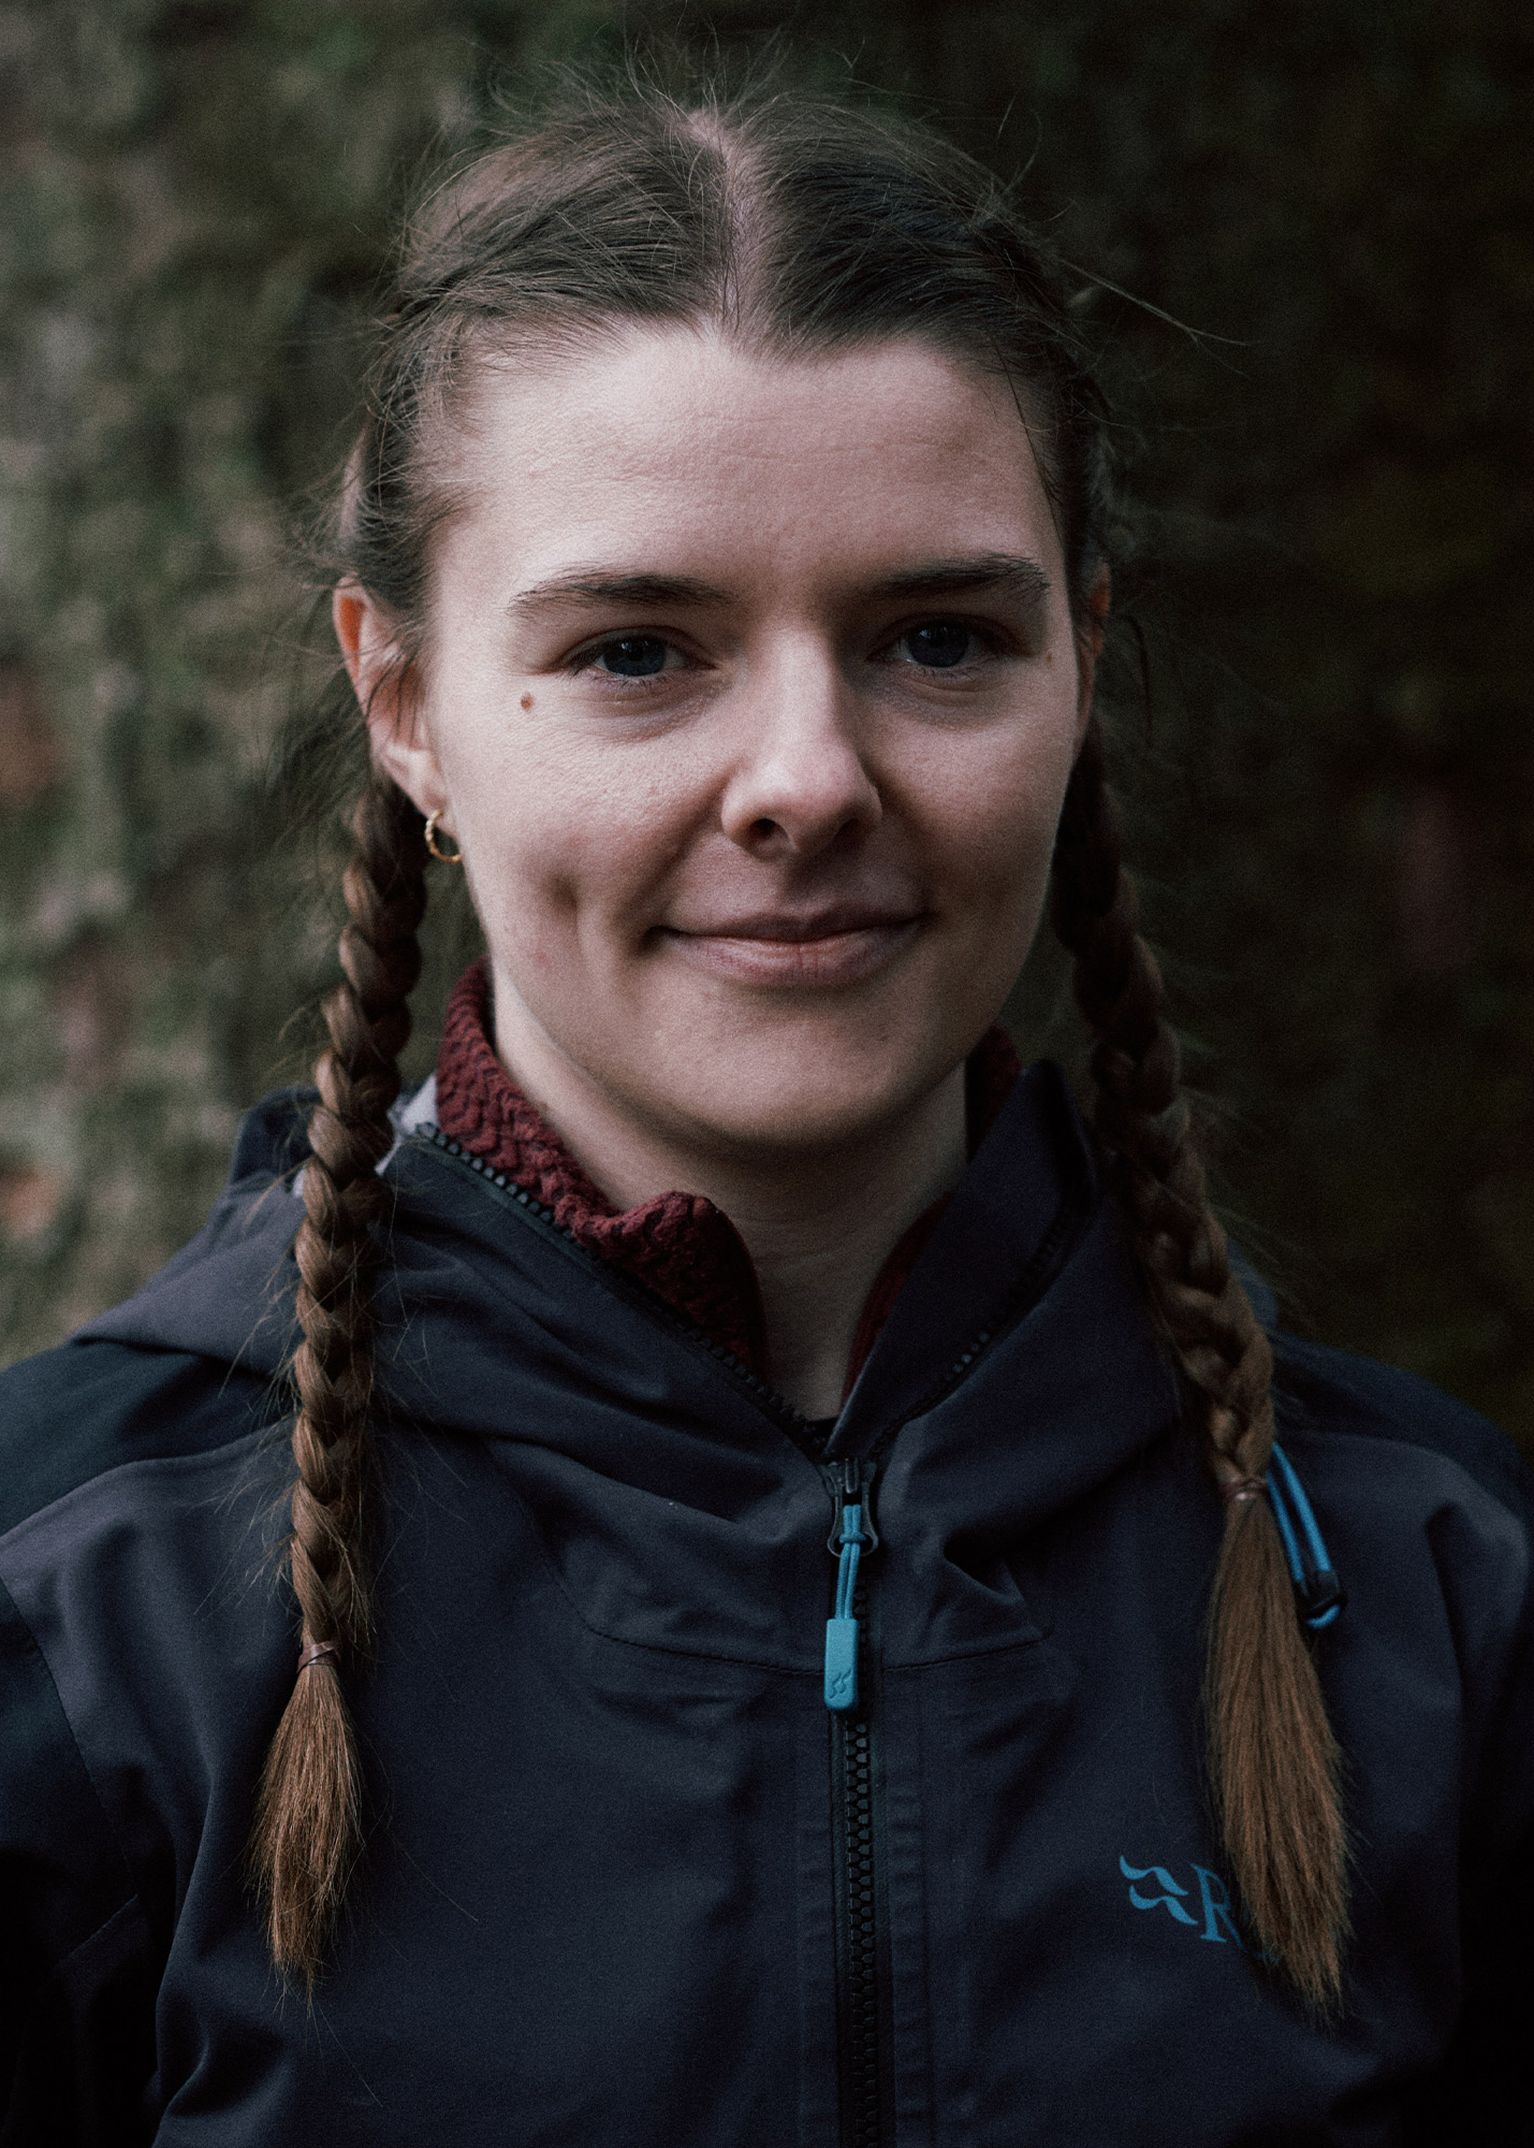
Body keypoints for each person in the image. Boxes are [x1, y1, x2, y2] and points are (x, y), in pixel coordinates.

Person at [1, 71, 1529, 2148]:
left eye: (933, 636)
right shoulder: (71, 1587)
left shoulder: (1435, 1586)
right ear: (407, 710)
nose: (804, 776)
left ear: (1081, 667)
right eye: (638, 650)